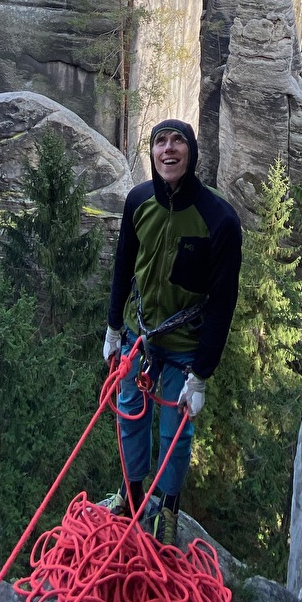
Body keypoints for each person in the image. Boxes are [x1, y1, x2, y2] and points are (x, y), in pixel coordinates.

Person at [101, 118, 242, 547]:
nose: (168, 150)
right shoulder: (139, 201)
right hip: (139, 336)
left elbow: (223, 302)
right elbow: (124, 264)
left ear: (191, 153)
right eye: (160, 142)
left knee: (174, 434)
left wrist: (202, 374)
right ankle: (133, 496)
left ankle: (169, 505)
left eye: (177, 142)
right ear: (153, 153)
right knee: (130, 417)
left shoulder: (220, 220)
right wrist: (112, 328)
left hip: (186, 343)